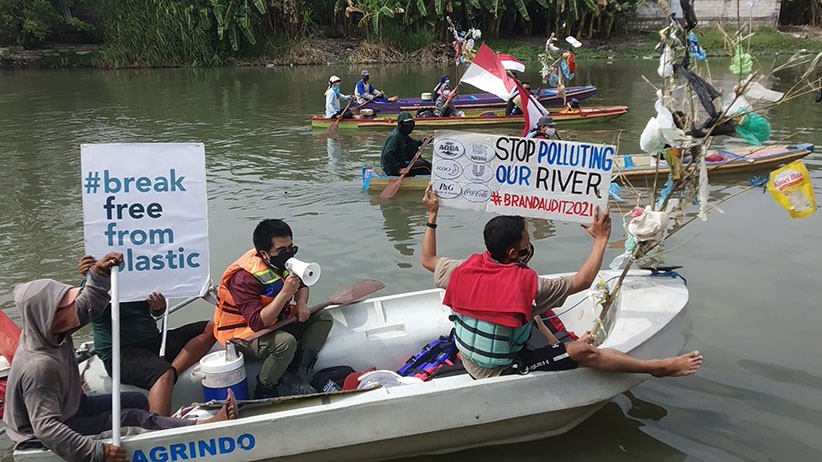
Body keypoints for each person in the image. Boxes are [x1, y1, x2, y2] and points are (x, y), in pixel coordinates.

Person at [419, 185, 704, 381]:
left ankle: (552, 342)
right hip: (498, 370)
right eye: (527, 240)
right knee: (582, 350)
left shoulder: (460, 269)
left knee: (530, 312)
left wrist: (432, 215)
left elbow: (428, 259)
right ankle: (656, 368)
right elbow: (584, 280)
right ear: (513, 253)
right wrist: (601, 239)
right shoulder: (531, 287)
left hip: (469, 355)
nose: (530, 242)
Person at [4, 252, 238, 462]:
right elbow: (46, 428)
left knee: (136, 401)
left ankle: (164, 428)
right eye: (66, 306)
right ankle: (201, 427)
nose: (75, 306)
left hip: (72, 407)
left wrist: (98, 275)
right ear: (47, 316)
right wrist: (96, 453)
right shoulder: (39, 365)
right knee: (132, 416)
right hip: (50, 432)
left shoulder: (49, 332)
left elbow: (87, 305)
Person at [213, 219, 333, 398]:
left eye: (291, 248)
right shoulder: (243, 279)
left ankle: (297, 373)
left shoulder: (283, 262)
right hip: (243, 334)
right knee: (285, 343)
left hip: (275, 321)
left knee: (323, 317)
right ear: (264, 253)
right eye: (281, 251)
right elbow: (257, 323)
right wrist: (285, 293)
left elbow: (302, 285)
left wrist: (301, 304)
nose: (288, 254)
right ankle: (265, 389)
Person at [82, 256, 216, 416]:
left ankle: (173, 373)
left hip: (151, 339)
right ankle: (159, 425)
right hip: (120, 351)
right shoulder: (93, 287)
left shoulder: (141, 276)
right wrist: (93, 278)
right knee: (162, 374)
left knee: (210, 328)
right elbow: (86, 312)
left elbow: (155, 312)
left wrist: (159, 307)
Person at [380, 112, 432, 177]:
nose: (409, 125)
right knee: (425, 166)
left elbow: (413, 143)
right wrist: (399, 169)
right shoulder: (396, 137)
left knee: (412, 147)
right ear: (401, 124)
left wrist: (422, 141)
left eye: (410, 123)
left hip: (400, 162)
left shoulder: (403, 134)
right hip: (392, 168)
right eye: (406, 123)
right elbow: (387, 154)